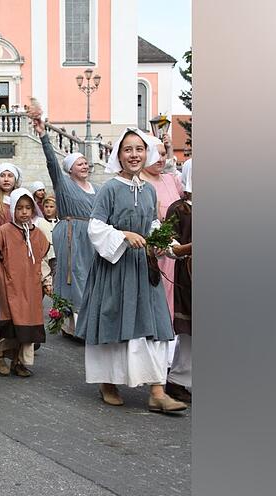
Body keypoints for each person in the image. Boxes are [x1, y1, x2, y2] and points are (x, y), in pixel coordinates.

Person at [75, 128, 188, 414]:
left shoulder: (149, 190)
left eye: (139, 149)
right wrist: (124, 234)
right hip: (115, 268)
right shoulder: (109, 188)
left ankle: (157, 390)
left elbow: (151, 225)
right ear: (119, 155)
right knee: (114, 322)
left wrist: (166, 243)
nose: (134, 155)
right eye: (128, 149)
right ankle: (108, 382)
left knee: (155, 324)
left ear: (146, 153)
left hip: (143, 267)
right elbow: (95, 226)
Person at [30, 111, 96, 336]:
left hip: (92, 236)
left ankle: (89, 319)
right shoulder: (63, 184)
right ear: (69, 169)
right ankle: (75, 324)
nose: (85, 166)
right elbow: (51, 163)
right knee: (74, 274)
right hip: (71, 233)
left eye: (86, 163)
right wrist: (43, 135)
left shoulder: (96, 188)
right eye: (79, 164)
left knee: (91, 275)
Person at [0, 189, 52, 377]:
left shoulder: (38, 235)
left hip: (31, 288)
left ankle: (19, 361)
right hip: (9, 285)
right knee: (10, 322)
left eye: (28, 208)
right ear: (13, 210)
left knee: (27, 326)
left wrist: (46, 280)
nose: (24, 212)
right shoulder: (3, 232)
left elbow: (42, 260)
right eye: (19, 208)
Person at [139, 134, 185, 327]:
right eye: (156, 154)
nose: (161, 159)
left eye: (163, 154)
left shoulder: (170, 179)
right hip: (154, 249)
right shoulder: (139, 180)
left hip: (177, 247)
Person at [164, 172, 193, 404]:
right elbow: (170, 245)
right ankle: (178, 380)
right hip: (190, 274)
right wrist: (189, 247)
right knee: (190, 333)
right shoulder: (179, 209)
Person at [0, 163, 21, 231]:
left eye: (10, 176)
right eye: (2, 176)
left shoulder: (21, 199)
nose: (6, 179)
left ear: (15, 179)